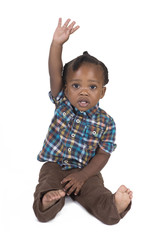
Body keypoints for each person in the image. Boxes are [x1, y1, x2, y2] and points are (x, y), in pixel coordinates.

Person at [33, 18, 133, 225]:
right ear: (66, 88)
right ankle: (48, 200)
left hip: (86, 170)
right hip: (56, 165)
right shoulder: (62, 102)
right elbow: (54, 71)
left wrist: (83, 176)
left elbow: (103, 154)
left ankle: (112, 205)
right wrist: (57, 44)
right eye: (76, 85)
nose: (84, 91)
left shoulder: (106, 122)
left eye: (92, 87)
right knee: (48, 179)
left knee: (96, 191)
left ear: (102, 92)